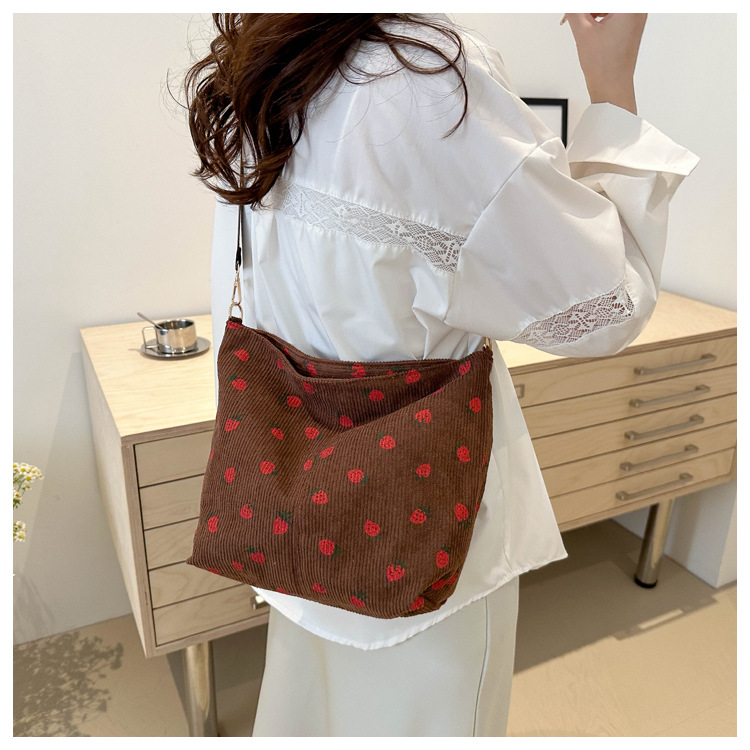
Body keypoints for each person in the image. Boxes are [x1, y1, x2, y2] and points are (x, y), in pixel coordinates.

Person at [183, 13, 699, 737]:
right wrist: (611, 84)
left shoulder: (263, 59)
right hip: (424, 538)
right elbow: (605, 306)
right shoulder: (427, 80)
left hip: (290, 517)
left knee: (310, 716)